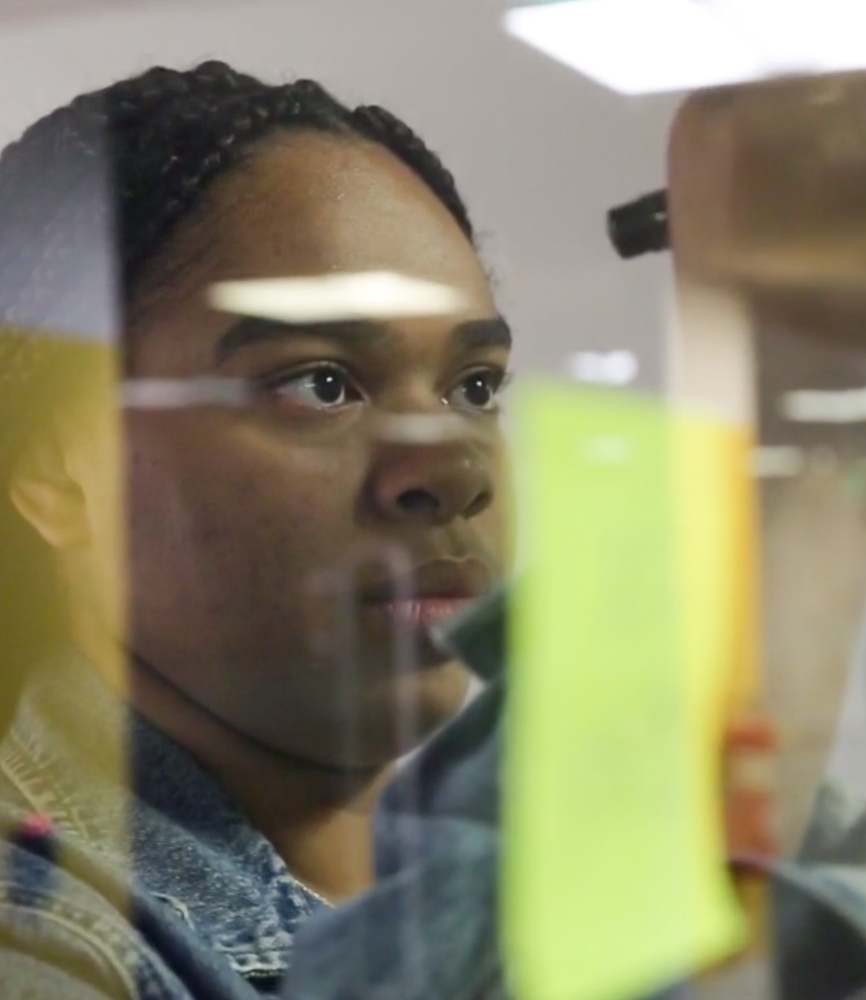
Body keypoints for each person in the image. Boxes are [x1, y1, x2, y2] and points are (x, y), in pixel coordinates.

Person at [0, 59, 512, 997]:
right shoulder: (39, 949)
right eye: (320, 383)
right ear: (52, 469)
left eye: (473, 388)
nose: (455, 472)